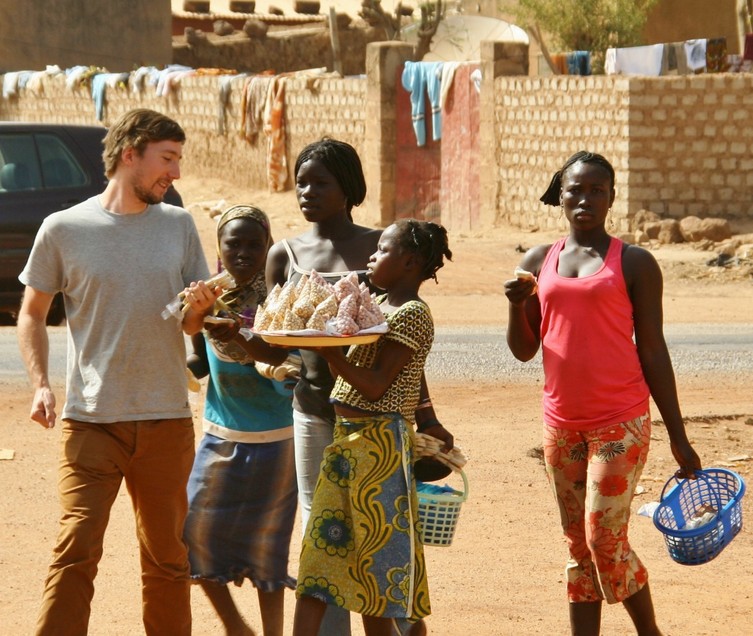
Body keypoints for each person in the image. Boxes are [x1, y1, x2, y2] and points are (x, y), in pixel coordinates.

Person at [16, 108, 220, 636]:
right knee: (75, 550)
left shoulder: (177, 225)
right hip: (90, 422)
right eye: (167, 159)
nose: (175, 173)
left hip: (165, 422)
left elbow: (192, 324)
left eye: (177, 161)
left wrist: (199, 306)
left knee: (168, 561)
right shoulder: (62, 229)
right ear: (130, 154)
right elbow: (32, 313)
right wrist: (40, 383)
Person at [503, 150, 702, 636]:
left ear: (612, 197)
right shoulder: (536, 262)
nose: (585, 198)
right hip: (561, 423)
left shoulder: (634, 263)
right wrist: (514, 306)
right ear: (561, 196)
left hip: (621, 420)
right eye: (575, 189)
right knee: (578, 544)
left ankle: (649, 632)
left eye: (596, 190)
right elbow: (524, 350)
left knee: (602, 537)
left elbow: (653, 350)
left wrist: (678, 436)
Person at [292, 218, 455, 636]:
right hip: (349, 445)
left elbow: (378, 384)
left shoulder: (413, 314)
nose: (372, 256)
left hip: (379, 449)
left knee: (377, 569)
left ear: (409, 262)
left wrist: (327, 352)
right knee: (321, 563)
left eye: (382, 250)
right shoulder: (380, 306)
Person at [183, 204, 298, 636]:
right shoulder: (208, 296)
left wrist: (243, 340)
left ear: (269, 246)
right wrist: (198, 318)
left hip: (278, 439)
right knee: (190, 536)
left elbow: (286, 370)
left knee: (269, 548)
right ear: (219, 247)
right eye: (234, 243)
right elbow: (187, 325)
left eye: (256, 244)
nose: (245, 252)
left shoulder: (281, 300)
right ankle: (236, 627)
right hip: (221, 434)